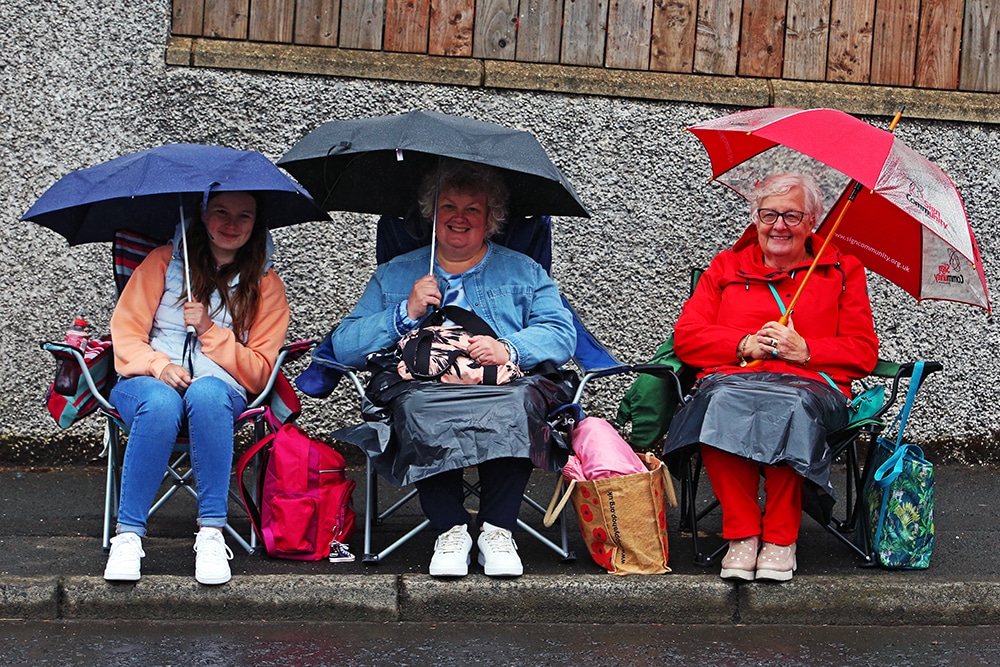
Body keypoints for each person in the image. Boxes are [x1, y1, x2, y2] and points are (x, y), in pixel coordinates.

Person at [330, 159, 576, 578]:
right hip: (422, 386)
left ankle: (497, 529)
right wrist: (403, 313)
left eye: (473, 209)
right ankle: (451, 530)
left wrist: (509, 348)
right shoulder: (396, 273)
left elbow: (560, 333)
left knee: (516, 403)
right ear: (432, 215)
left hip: (502, 383)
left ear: (491, 219)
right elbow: (345, 346)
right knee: (419, 405)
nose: (459, 218)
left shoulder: (523, 270)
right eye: (448, 207)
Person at [662, 172, 879, 582]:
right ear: (755, 217)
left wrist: (807, 351)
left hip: (810, 389)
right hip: (733, 382)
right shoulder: (727, 266)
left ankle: (781, 537)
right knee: (720, 404)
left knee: (788, 407)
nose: (779, 225)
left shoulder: (842, 270)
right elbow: (687, 337)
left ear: (812, 220)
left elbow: (864, 352)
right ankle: (742, 533)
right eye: (769, 214)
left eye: (793, 216)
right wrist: (743, 344)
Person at [103, 191, 290, 585]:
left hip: (221, 391)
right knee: (161, 402)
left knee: (206, 393)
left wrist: (209, 331)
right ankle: (128, 536)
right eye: (221, 212)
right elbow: (125, 337)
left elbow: (259, 371)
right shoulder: (161, 262)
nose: (231, 224)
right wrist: (160, 365)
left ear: (256, 224)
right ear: (203, 216)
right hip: (145, 382)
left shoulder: (267, 285)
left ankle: (211, 533)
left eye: (244, 216)